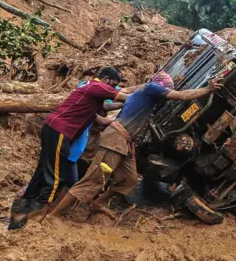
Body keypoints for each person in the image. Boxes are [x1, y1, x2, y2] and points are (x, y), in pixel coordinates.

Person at [48, 71, 223, 220]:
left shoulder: (144, 92)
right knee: (92, 181)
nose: (167, 92)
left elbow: (127, 92)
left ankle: (96, 204)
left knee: (130, 180)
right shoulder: (151, 89)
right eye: (166, 88)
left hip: (125, 142)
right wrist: (208, 89)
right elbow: (182, 96)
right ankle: (54, 216)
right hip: (116, 140)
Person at [8, 66, 138, 230]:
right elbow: (125, 97)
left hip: (53, 128)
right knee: (54, 177)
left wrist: (114, 120)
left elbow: (105, 108)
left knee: (45, 173)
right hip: (61, 131)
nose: (112, 89)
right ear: (105, 80)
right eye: (112, 85)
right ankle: (36, 220)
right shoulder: (97, 86)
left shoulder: (89, 90)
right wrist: (143, 97)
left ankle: (18, 217)